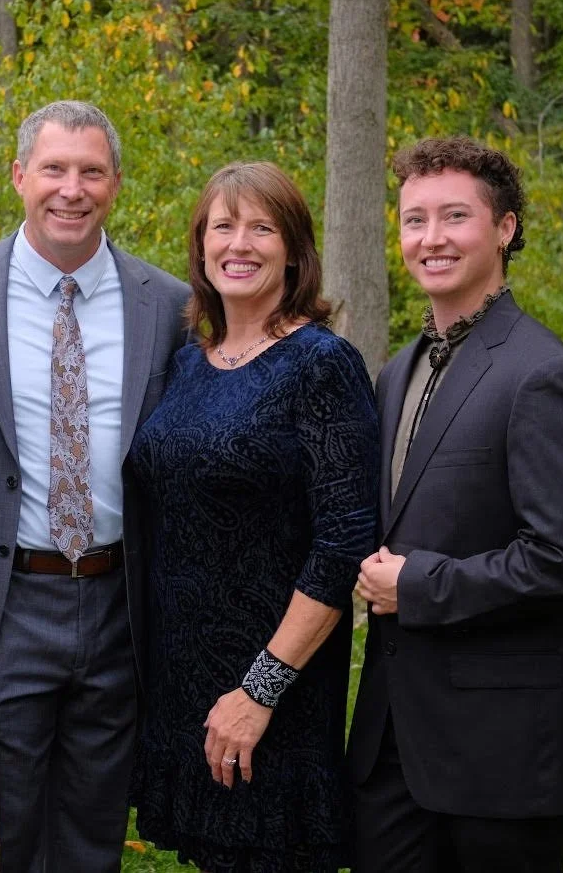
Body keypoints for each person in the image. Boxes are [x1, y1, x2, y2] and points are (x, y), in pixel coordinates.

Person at [346, 136, 563, 873]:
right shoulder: (397, 371)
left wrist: (419, 583)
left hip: (501, 745)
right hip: (393, 742)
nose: (431, 238)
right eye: (414, 220)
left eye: (454, 216)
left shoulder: (541, 373)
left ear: (505, 228)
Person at [0, 100, 189, 872]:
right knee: (4, 822)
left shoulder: (170, 304)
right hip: (7, 594)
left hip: (118, 601)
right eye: (54, 168)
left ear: (115, 184)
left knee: (93, 826)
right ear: (19, 176)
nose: (71, 189)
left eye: (91, 171)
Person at [127, 161, 379, 873]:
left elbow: (343, 541)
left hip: (272, 687)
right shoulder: (188, 361)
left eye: (261, 227)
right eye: (223, 225)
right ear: (201, 246)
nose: (239, 243)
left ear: (294, 250)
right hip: (186, 685)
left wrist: (260, 688)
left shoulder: (321, 364)